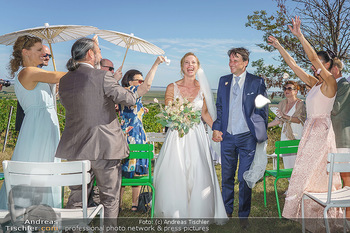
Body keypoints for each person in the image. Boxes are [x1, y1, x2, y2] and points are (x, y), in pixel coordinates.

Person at [268, 16, 342, 232]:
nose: (313, 65)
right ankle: (312, 217)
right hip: (310, 131)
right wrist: (280, 46)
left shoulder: (330, 84)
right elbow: (292, 64)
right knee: (307, 175)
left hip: (321, 132)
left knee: (310, 175)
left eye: (318, 63)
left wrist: (300, 35)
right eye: (313, 64)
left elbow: (311, 55)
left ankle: (322, 217)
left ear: (327, 65)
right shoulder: (313, 83)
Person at [55, 37, 138, 219]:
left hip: (75, 148)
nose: (100, 53)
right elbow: (129, 100)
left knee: (77, 198)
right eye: (99, 50)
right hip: (104, 147)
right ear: (90, 54)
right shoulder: (102, 76)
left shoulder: (65, 80)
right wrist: (114, 83)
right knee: (109, 199)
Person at [154, 52, 227, 220]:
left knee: (198, 171)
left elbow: (206, 114)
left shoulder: (202, 88)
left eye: (193, 62)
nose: (190, 65)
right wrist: (177, 116)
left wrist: (216, 129)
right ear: (182, 67)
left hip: (197, 136)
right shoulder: (171, 87)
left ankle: (198, 213)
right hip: (177, 135)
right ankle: (176, 213)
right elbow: (168, 111)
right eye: (186, 62)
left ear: (198, 66)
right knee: (176, 172)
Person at [0, 35, 66, 209]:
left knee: (46, 168)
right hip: (37, 128)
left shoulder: (38, 74)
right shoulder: (28, 72)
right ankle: (30, 213)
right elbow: (62, 75)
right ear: (25, 52)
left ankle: (44, 213)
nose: (42, 54)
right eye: (38, 50)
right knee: (36, 167)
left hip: (46, 125)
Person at [212, 47, 268, 219]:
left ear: (245, 63)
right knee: (227, 177)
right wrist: (217, 127)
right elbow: (220, 107)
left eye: (235, 61)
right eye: (230, 60)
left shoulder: (256, 82)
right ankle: (227, 211)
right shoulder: (223, 81)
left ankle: (243, 215)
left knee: (244, 178)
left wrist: (257, 131)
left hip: (247, 137)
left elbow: (262, 110)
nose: (231, 64)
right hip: (227, 136)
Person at [118, 56, 165, 212]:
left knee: (132, 171)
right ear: (130, 82)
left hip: (133, 135)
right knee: (126, 172)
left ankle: (131, 205)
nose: (142, 83)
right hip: (131, 136)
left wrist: (141, 111)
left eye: (142, 80)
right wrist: (156, 63)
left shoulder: (127, 94)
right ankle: (125, 205)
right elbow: (148, 86)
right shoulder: (128, 91)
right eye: (139, 81)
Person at [268, 81, 306, 170]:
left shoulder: (300, 103)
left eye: (289, 88)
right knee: (287, 160)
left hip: (296, 133)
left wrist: (284, 116)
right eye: (285, 88)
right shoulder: (282, 103)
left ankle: (298, 182)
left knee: (297, 161)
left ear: (296, 91)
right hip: (285, 133)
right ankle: (290, 182)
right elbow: (277, 121)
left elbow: (299, 120)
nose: (286, 90)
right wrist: (263, 126)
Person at [330, 58, 350, 220]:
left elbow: (335, 109)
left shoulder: (344, 86)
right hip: (331, 138)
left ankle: (348, 216)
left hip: (342, 137)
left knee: (346, 177)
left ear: (335, 69)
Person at [15, 44, 52, 132]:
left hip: (41, 122)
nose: (48, 58)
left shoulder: (41, 73)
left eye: (49, 55)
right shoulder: (30, 71)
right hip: (30, 122)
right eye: (45, 55)